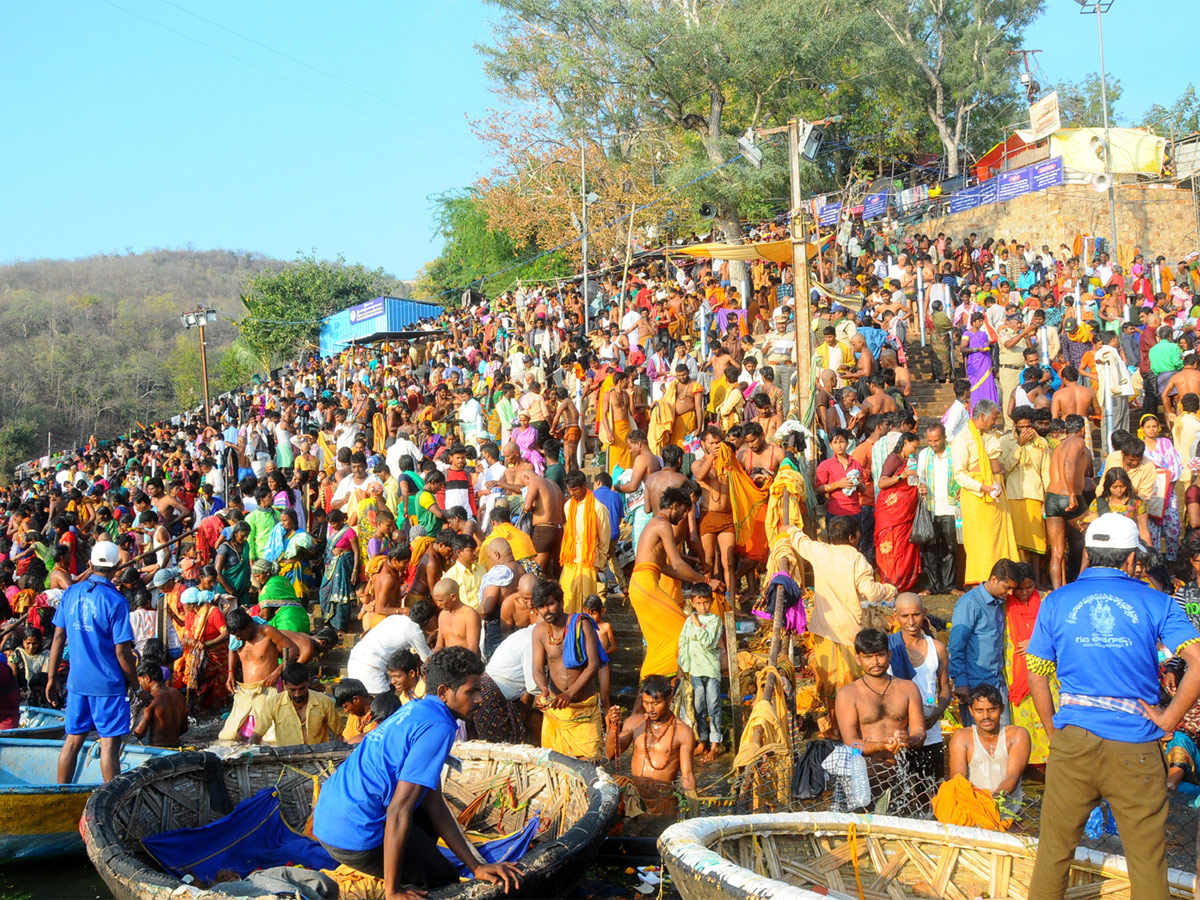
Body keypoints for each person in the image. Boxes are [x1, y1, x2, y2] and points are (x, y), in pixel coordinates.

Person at [1027, 513, 1200, 899]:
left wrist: (1056, 731)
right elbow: (1198, 664)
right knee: (1148, 862)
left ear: (1086, 554)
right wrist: (1169, 717)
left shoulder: (1056, 601)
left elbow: (1036, 673)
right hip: (1135, 746)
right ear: (1131, 561)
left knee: (1053, 854)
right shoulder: (1157, 601)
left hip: (1073, 741)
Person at [312, 648, 521, 896]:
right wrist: (393, 891)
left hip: (328, 822)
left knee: (423, 808)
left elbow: (433, 802)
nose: (480, 699)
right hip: (354, 835)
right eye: (471, 691)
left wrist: (476, 865)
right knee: (445, 880)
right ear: (444, 692)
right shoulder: (439, 726)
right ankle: (405, 882)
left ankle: (412, 869)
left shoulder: (415, 708)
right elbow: (398, 810)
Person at [784, 517, 896, 734]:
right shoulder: (857, 559)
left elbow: (800, 541)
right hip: (850, 631)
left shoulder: (820, 551)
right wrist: (889, 590)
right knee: (853, 681)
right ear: (853, 537)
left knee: (829, 681)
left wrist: (789, 529)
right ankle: (855, 726)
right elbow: (871, 592)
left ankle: (836, 726)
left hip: (823, 629)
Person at [46, 542, 138, 784]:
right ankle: (112, 799)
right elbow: (122, 651)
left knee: (73, 740)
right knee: (109, 744)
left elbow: (57, 637)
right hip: (107, 684)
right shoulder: (116, 601)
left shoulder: (71, 593)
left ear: (90, 564)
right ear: (117, 567)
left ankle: (61, 793)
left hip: (77, 682)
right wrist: (135, 683)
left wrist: (51, 677)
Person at [628, 487, 715, 681]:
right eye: (683, 511)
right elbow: (677, 563)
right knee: (683, 631)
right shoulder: (662, 524)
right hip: (645, 585)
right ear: (674, 506)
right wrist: (705, 581)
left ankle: (654, 688)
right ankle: (657, 683)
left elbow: (666, 567)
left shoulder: (656, 523)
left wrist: (699, 578)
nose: (684, 516)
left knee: (661, 640)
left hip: (643, 585)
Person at [835, 628, 925, 785]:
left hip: (901, 771)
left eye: (880, 655)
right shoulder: (847, 695)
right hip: (864, 776)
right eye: (868, 657)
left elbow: (920, 733)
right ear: (858, 659)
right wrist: (880, 745)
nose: (875, 662)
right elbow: (851, 742)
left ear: (889, 655)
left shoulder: (908, 688)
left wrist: (908, 740)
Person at [530, 579, 606, 760]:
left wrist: (570, 694)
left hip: (584, 710)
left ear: (561, 603)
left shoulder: (581, 624)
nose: (546, 610)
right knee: (557, 769)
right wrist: (543, 690)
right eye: (541, 606)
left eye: (550, 604)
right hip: (556, 712)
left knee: (588, 765)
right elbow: (537, 668)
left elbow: (593, 665)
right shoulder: (539, 632)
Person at [605, 674, 697, 816]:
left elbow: (687, 776)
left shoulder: (683, 732)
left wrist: (691, 807)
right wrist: (612, 728)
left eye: (655, 703)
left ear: (669, 700)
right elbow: (611, 754)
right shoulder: (635, 723)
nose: (650, 709)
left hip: (665, 803)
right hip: (635, 801)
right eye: (646, 703)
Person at [951, 400, 1019, 585]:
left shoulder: (989, 436)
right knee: (982, 543)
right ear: (982, 416)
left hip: (996, 494)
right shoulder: (962, 439)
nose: (995, 422)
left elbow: (996, 460)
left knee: (1000, 539)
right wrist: (982, 487)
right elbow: (959, 474)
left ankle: (1003, 577)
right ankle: (981, 580)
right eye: (993, 418)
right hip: (977, 497)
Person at [948, 559, 1019, 726]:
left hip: (997, 681)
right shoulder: (969, 603)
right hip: (974, 684)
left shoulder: (1000, 601)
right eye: (1007, 587)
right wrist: (961, 682)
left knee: (1003, 738)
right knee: (977, 741)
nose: (1010, 593)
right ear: (994, 580)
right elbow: (956, 646)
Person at [890, 594, 950, 780]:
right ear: (895, 616)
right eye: (905, 616)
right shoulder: (887, 647)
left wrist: (936, 713)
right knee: (899, 793)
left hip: (930, 728)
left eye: (916, 615)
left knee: (932, 791)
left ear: (924, 613)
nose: (911, 621)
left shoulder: (937, 648)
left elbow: (945, 688)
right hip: (897, 731)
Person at [218, 606, 300, 741]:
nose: (238, 638)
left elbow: (293, 649)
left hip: (268, 689)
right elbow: (232, 650)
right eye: (235, 636)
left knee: (271, 737)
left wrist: (277, 672)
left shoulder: (267, 631)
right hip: (246, 692)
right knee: (230, 736)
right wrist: (231, 673)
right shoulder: (236, 638)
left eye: (240, 635)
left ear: (249, 627)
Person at [1002, 563, 1055, 764]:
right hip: (1015, 669)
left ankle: (1051, 759)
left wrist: (1035, 642)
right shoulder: (1005, 604)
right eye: (1020, 589)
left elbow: (1058, 633)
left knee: (1047, 708)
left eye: (1029, 587)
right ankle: (1026, 762)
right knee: (1023, 715)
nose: (1024, 593)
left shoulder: (1047, 601)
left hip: (1046, 670)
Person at [947, 684, 1030, 802]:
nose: (986, 716)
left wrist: (993, 800)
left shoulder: (1018, 735)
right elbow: (958, 780)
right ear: (971, 710)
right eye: (979, 711)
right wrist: (981, 804)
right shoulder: (961, 737)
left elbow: (1013, 776)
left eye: (991, 709)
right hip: (974, 807)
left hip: (1009, 812)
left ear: (1001, 709)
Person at [346, 600, 436, 695]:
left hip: (355, 658)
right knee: (383, 704)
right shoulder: (414, 631)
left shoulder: (394, 618)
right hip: (370, 667)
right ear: (426, 621)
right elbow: (427, 659)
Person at [677, 584, 723, 762]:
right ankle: (702, 740)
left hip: (710, 670)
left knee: (714, 706)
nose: (703, 606)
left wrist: (697, 625)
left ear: (710, 602)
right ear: (693, 603)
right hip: (695, 670)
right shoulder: (689, 621)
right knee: (698, 707)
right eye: (699, 603)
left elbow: (709, 643)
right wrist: (683, 667)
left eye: (706, 602)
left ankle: (715, 745)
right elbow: (683, 644)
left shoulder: (715, 621)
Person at [251, 662, 342, 746]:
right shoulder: (272, 704)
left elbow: (339, 733)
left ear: (308, 682)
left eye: (301, 689)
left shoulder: (324, 702)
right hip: (288, 758)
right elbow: (257, 734)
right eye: (293, 690)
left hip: (319, 756)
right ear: (284, 684)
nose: (297, 694)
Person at [558, 470, 611, 616]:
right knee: (567, 599)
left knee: (587, 604)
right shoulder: (568, 506)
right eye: (569, 490)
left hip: (589, 562)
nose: (572, 493)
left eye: (575, 490)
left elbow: (604, 540)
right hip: (571, 561)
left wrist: (599, 565)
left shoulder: (598, 508)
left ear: (584, 485)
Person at [873, 431, 921, 591]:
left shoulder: (907, 460)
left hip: (904, 515)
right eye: (913, 447)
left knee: (902, 549)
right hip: (889, 515)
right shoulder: (894, 458)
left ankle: (903, 583)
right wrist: (902, 476)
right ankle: (891, 583)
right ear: (905, 442)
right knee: (890, 548)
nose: (914, 451)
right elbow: (882, 482)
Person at [915, 422, 959, 594]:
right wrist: (922, 486)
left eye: (936, 441)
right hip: (931, 508)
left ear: (944, 438)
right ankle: (932, 586)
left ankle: (949, 585)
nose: (933, 444)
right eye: (930, 441)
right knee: (930, 549)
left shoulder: (954, 453)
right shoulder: (924, 454)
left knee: (950, 548)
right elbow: (921, 477)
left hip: (950, 507)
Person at [132, 659, 188, 748]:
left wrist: (138, 713)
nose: (140, 686)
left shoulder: (152, 699)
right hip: (176, 747)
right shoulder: (178, 695)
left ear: (147, 678)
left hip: (157, 748)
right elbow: (184, 728)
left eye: (140, 682)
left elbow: (139, 732)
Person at [431, 578, 481, 657]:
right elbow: (439, 645)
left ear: (453, 597)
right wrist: (431, 660)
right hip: (448, 663)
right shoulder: (442, 615)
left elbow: (473, 649)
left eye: (440, 600)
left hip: (466, 662)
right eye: (436, 601)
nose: (438, 604)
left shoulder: (470, 615)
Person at [335, 677, 374, 744]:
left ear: (356, 699)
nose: (345, 710)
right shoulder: (353, 715)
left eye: (346, 707)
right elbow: (346, 739)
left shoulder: (381, 713)